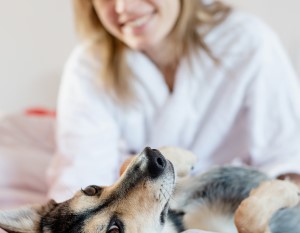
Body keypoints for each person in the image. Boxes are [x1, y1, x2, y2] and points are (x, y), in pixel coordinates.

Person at [47, 0, 300, 202]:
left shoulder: (248, 41)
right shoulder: (89, 67)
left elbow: (288, 158)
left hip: (239, 207)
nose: (123, 7)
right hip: (139, 220)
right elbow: (79, 183)